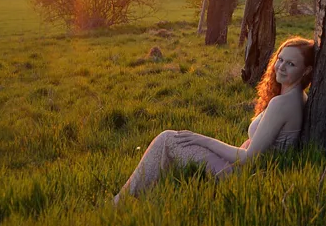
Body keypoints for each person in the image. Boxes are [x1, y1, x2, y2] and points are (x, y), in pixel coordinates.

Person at [113, 36, 314, 203]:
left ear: (306, 71)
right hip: (249, 172)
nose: (281, 67)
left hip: (245, 178)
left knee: (168, 139)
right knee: (170, 143)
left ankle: (120, 203)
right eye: (280, 59)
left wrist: (202, 139)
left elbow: (249, 158)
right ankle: (145, 197)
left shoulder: (284, 103)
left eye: (291, 63)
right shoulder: (296, 97)